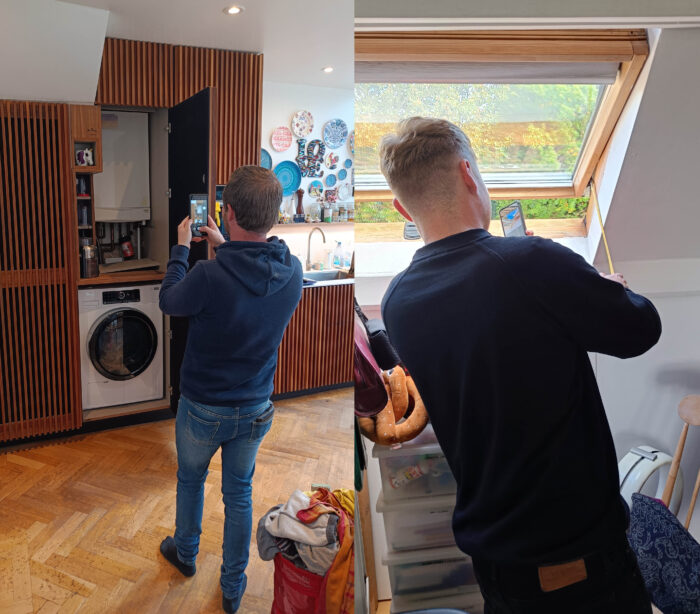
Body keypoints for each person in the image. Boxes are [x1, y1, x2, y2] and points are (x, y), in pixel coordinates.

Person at [378, 117, 661, 613]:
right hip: (576, 563)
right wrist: (603, 287)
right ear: (469, 174)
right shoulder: (533, 262)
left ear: (402, 207)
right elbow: (642, 330)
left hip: (494, 562)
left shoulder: (398, 299)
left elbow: (491, 347)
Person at [158, 166, 302, 613]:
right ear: (274, 217)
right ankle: (234, 588)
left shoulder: (207, 276)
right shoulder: (291, 270)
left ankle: (185, 554)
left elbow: (169, 300)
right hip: (257, 407)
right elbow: (250, 274)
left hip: (203, 408)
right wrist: (226, 243)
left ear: (228, 210)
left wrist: (182, 248)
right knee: (238, 495)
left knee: (191, 480)